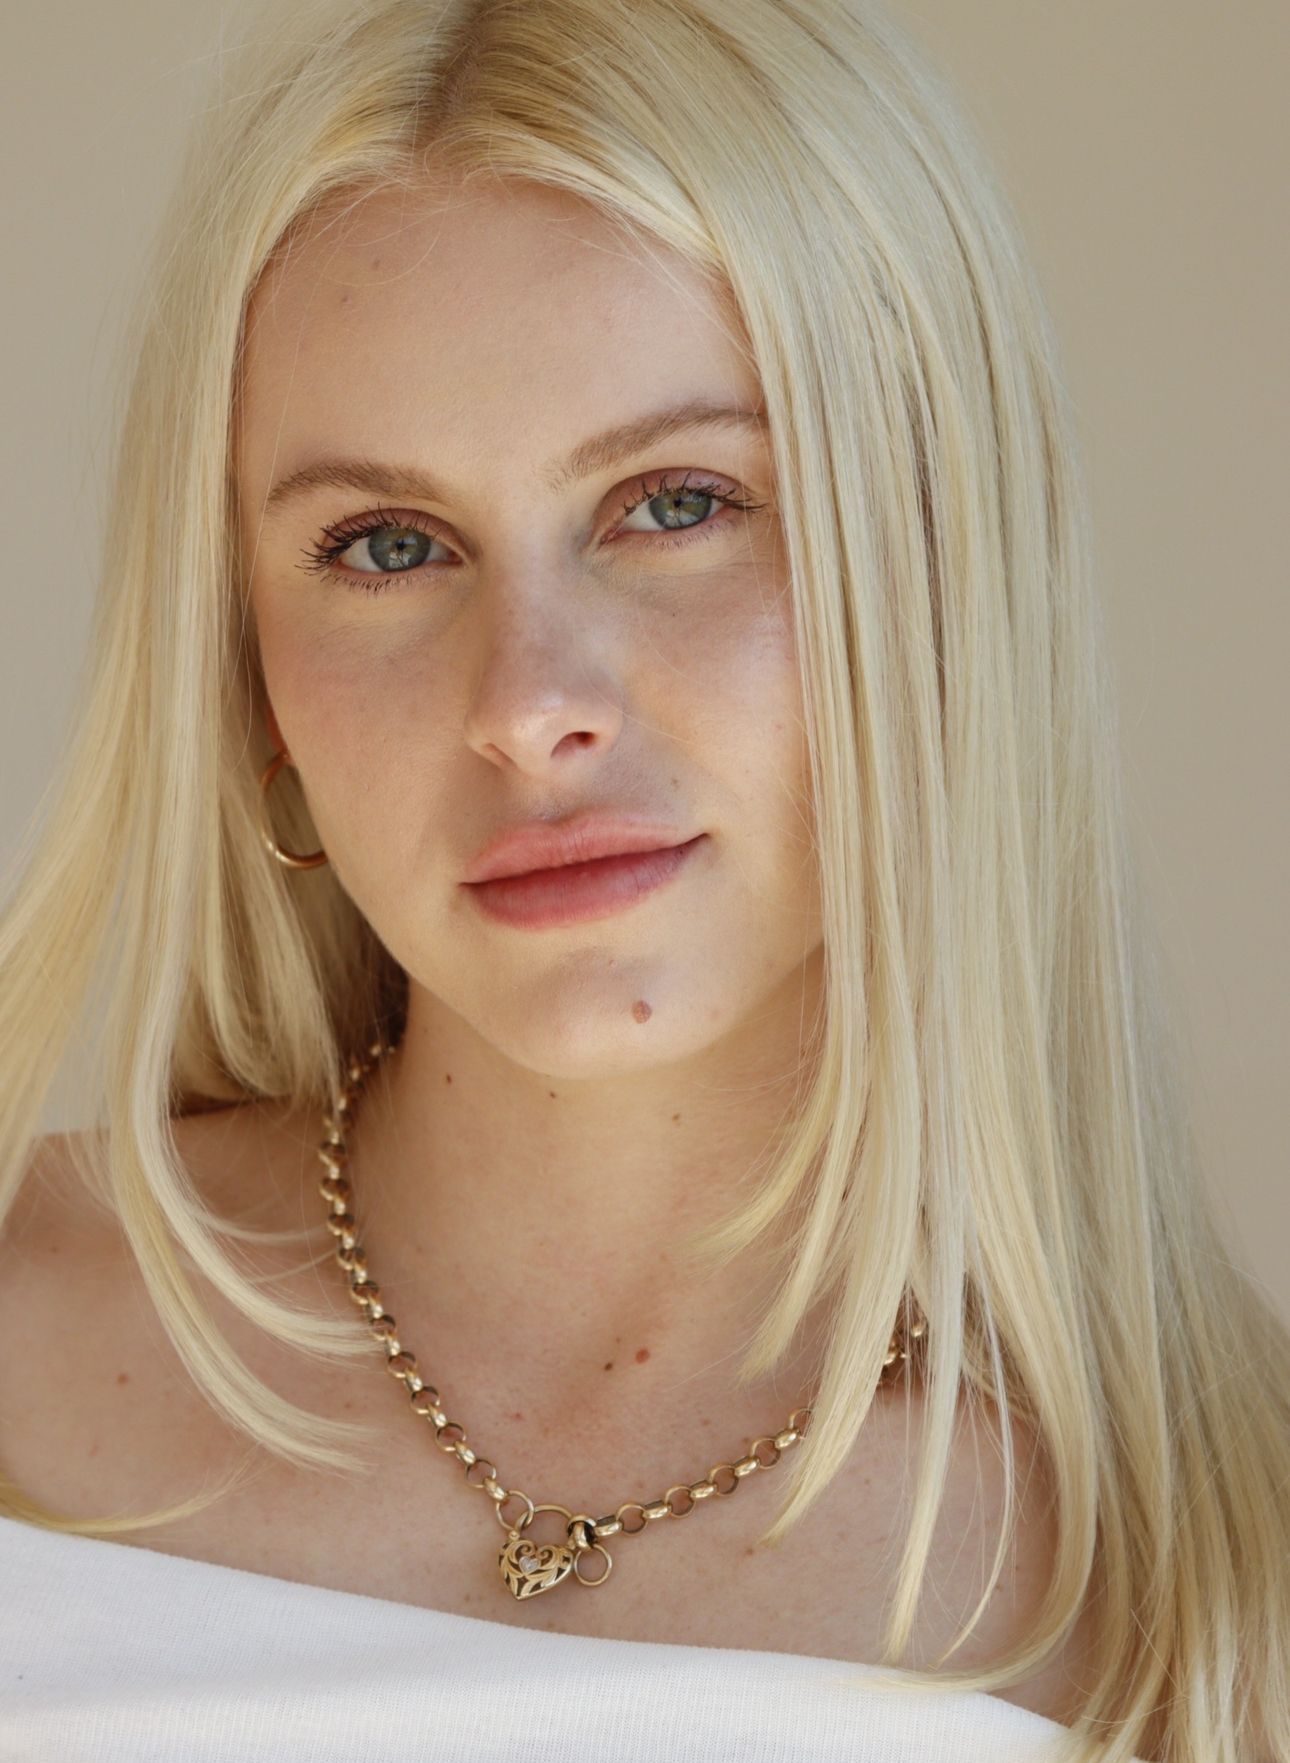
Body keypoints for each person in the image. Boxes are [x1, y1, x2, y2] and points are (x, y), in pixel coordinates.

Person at [0, 0, 1284, 1759]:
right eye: (385, 546)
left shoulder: (1218, 1588)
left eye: (676, 503)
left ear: (942, 565)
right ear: (249, 676)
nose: (529, 707)